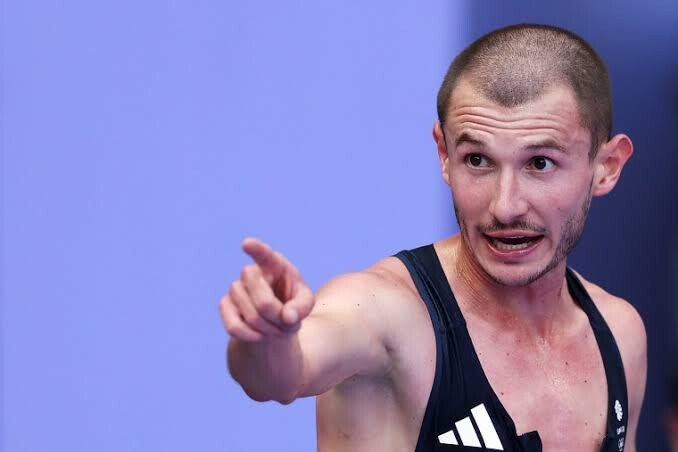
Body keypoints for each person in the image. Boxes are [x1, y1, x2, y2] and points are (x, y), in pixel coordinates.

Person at [220, 24, 647, 451]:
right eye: (477, 160)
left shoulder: (619, 332)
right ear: (444, 154)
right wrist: (267, 338)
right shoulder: (389, 313)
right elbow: (281, 375)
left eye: (540, 163)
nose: (505, 206)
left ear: (607, 167)